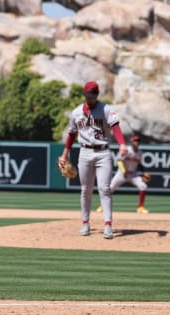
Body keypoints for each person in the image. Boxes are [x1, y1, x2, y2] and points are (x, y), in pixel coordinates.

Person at [57, 81, 126, 240]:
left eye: (92, 96)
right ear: (85, 95)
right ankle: (85, 223)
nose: (90, 98)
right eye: (88, 95)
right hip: (85, 152)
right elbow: (72, 134)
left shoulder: (106, 110)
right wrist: (65, 154)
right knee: (85, 189)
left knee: (104, 189)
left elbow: (115, 128)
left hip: (103, 153)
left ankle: (108, 225)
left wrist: (122, 144)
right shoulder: (76, 113)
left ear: (97, 95)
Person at [103, 134, 150, 214]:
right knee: (110, 188)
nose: (137, 142)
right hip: (121, 173)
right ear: (131, 142)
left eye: (138, 141)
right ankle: (103, 206)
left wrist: (143, 172)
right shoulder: (126, 150)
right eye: (135, 141)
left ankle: (140, 208)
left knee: (143, 186)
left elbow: (139, 164)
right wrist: (123, 170)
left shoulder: (140, 152)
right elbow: (119, 160)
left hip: (133, 174)